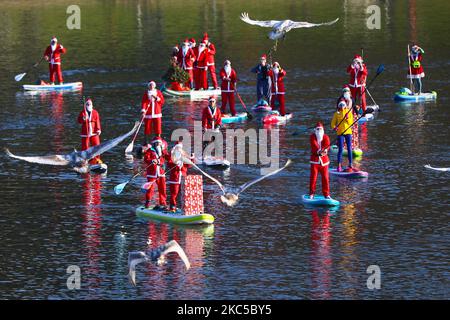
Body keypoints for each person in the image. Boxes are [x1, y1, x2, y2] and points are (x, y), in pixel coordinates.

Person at [167, 142, 194, 212]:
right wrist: (175, 163)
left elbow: (189, 165)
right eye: (178, 149)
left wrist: (192, 159)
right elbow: (169, 164)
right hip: (175, 178)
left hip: (183, 178)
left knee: (184, 193)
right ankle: (172, 206)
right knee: (174, 193)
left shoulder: (184, 157)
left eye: (180, 149)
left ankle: (185, 207)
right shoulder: (172, 156)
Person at [144, 136, 169, 210]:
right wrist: (151, 160)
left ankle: (163, 203)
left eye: (159, 143)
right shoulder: (150, 151)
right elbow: (146, 159)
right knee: (150, 188)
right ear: (154, 144)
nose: (158, 145)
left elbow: (169, 158)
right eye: (157, 143)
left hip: (161, 172)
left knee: (163, 188)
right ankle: (148, 203)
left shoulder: (163, 152)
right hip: (152, 172)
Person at [309, 122, 331, 199]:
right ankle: (311, 194)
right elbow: (314, 144)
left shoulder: (326, 137)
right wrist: (319, 151)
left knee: (325, 178)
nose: (319, 131)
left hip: (324, 162)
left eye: (320, 129)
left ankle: (327, 194)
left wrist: (324, 151)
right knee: (313, 178)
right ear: (315, 130)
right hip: (315, 161)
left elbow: (327, 145)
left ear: (323, 130)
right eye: (317, 129)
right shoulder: (312, 136)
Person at [331, 100, 354, 172]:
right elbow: (332, 124)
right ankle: (339, 165)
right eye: (340, 105)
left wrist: (347, 118)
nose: (342, 106)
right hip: (340, 133)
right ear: (339, 106)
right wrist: (335, 127)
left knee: (349, 148)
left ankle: (350, 164)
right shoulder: (336, 114)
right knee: (340, 149)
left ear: (345, 105)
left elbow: (351, 123)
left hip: (348, 132)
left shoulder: (349, 112)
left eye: (343, 105)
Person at [77, 98, 102, 165]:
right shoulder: (83, 112)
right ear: (85, 105)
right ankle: (85, 160)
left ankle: (97, 159)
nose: (89, 105)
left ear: (92, 105)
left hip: (94, 132)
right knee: (85, 147)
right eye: (87, 104)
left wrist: (98, 129)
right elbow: (79, 121)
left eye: (90, 104)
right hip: (85, 133)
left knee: (97, 146)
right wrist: (83, 119)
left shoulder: (95, 112)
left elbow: (97, 121)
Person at [141, 81, 165, 145]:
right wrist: (143, 111)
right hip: (148, 113)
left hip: (157, 113)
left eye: (152, 85)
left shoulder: (158, 92)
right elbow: (144, 102)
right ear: (149, 86)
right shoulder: (146, 93)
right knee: (147, 128)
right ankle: (146, 142)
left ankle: (158, 140)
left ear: (154, 86)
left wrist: (156, 98)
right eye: (150, 85)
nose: (151, 86)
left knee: (158, 127)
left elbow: (162, 102)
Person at [338, 86, 359, 150]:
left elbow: (354, 107)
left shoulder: (352, 99)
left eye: (347, 91)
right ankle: (343, 146)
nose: (346, 92)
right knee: (343, 132)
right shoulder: (340, 99)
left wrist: (358, 114)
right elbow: (338, 109)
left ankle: (353, 146)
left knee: (352, 132)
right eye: (345, 91)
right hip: (343, 119)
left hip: (350, 118)